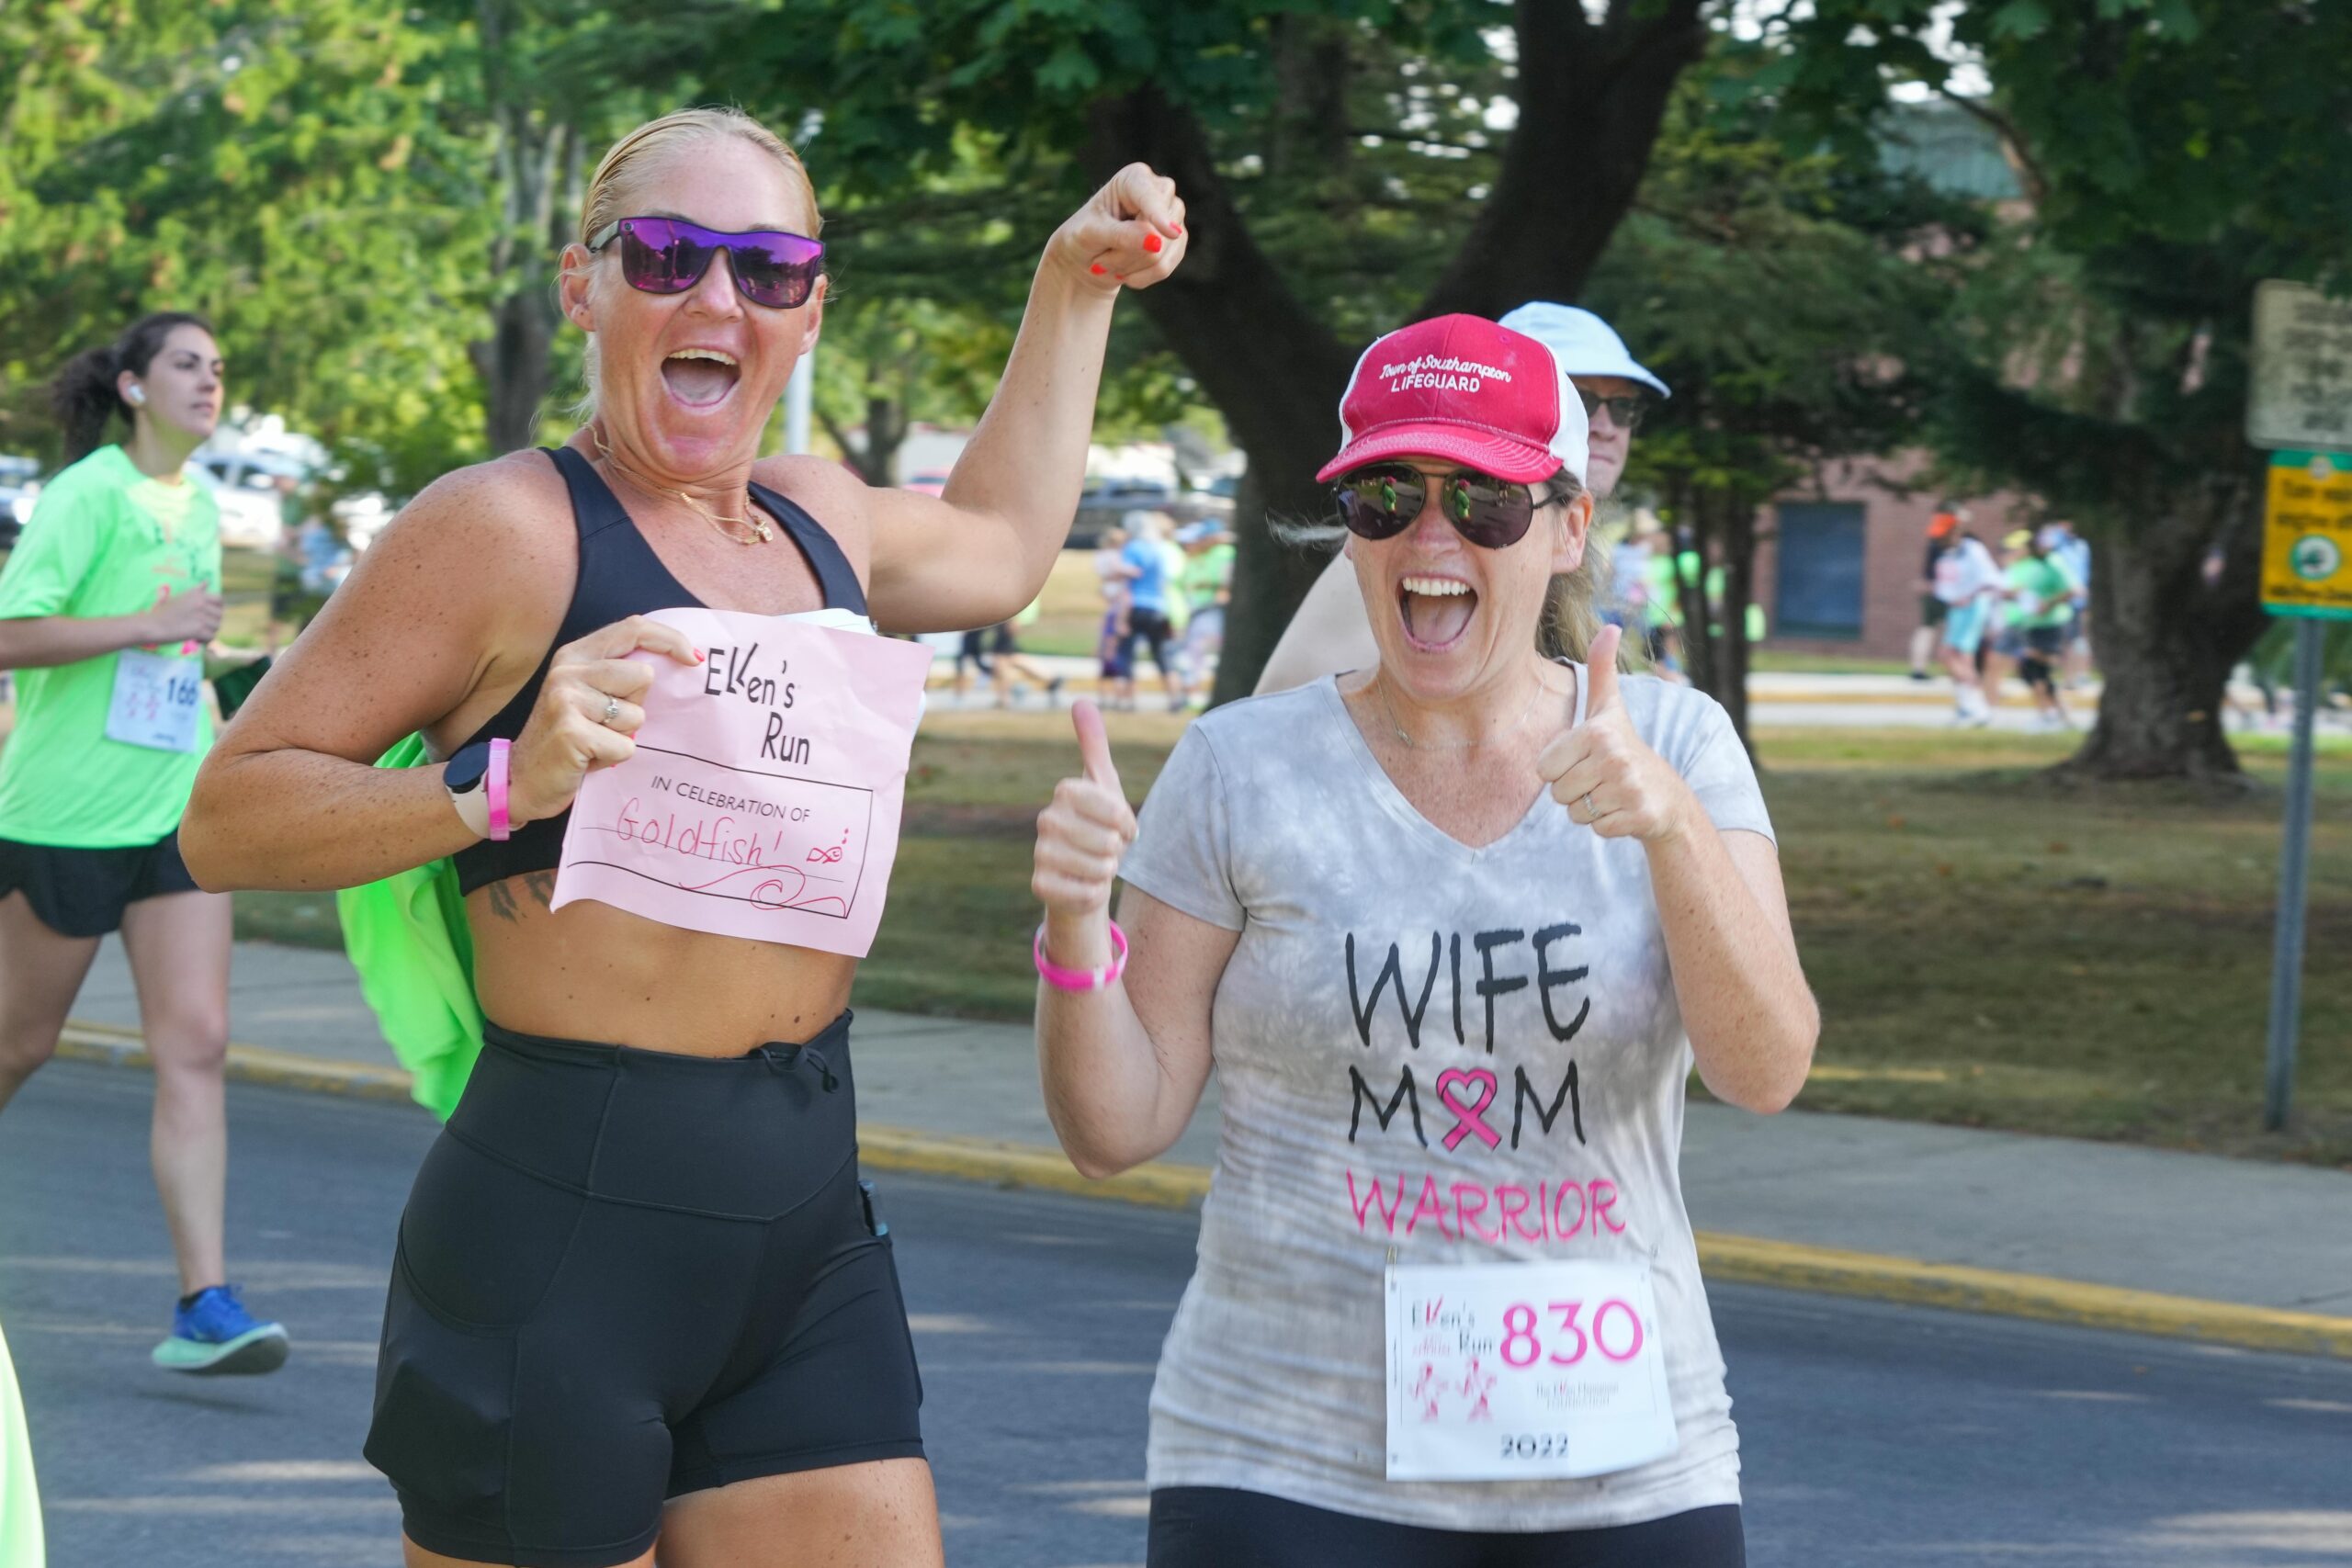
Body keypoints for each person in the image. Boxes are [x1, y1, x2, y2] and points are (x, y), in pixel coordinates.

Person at [179, 107, 1187, 1568]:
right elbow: (228, 814)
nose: (718, 298)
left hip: (805, 1219)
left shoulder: (820, 519)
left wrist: (1070, 284)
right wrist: (494, 783)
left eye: (767, 268)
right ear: (586, 285)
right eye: (667, 255)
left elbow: (1004, 537)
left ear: (809, 306)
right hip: (561, 1234)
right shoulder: (506, 530)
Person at [1032, 313, 1816, 1564]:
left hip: (1617, 1457)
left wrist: (1672, 833)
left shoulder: (1677, 746)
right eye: (1388, 495)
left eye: (1487, 502)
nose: (1433, 536)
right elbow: (1114, 1128)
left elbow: (1765, 1067)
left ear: (1565, 528)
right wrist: (1074, 932)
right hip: (1285, 1448)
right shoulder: (1240, 765)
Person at [0, 312, 291, 1377]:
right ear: (132, 386)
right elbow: (9, 633)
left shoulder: (213, 504)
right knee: (18, 1044)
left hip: (175, 809)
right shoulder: (87, 495)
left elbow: (192, 655)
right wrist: (144, 623)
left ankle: (203, 1302)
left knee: (198, 1041)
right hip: (64, 813)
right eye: (187, 365)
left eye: (219, 367)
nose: (210, 383)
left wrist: (243, 677)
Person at [1255, 301, 1668, 695]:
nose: (1603, 426)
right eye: (1579, 400)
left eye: (1623, 408)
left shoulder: (1545, 544)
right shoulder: (1387, 558)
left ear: (1574, 528)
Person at [2004, 528, 2081, 730]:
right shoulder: (2034, 565)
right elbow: (2029, 590)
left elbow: (2075, 590)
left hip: (2051, 624)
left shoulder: (2054, 563)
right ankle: (2054, 713)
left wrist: (2049, 603)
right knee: (2035, 672)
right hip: (2033, 623)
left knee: (2032, 666)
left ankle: (2051, 714)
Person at [1115, 508, 1188, 709]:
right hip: (1158, 608)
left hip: (1135, 607)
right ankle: (1175, 699)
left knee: (1127, 654)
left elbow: (1127, 581)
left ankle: (1127, 701)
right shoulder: (1159, 549)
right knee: (1162, 655)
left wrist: (1121, 619)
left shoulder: (1133, 547)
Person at [1931, 525, 2003, 727]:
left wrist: (1969, 596)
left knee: (1952, 655)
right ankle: (1967, 706)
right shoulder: (1948, 557)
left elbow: (1989, 579)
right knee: (1959, 659)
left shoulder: (1972, 550)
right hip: (1957, 610)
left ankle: (1977, 708)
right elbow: (1944, 587)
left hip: (1972, 608)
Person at [1174, 520, 1234, 699]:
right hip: (1198, 609)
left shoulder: (1224, 553)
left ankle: (1197, 691)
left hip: (1211, 610)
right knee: (1195, 652)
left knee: (1201, 649)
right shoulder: (1199, 557)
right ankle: (1194, 691)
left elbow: (1225, 582)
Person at [1910, 508, 1959, 681]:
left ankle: (1918, 668)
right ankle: (1954, 669)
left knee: (1926, 629)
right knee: (1952, 630)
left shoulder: (1932, 541)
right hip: (1945, 593)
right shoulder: (1952, 548)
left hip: (1929, 590)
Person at [1093, 520, 1136, 710]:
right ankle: (1121, 697)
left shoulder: (1102, 557)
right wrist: (1135, 572)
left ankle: (1107, 697)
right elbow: (1119, 571)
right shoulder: (1114, 557)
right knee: (1117, 655)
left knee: (1108, 654)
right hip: (1118, 609)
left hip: (1112, 608)